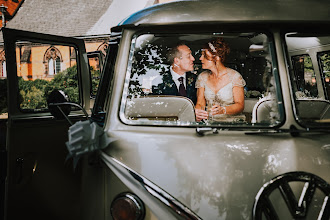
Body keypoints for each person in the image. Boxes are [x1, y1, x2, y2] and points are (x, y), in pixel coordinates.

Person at [195, 38, 246, 122]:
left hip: (231, 123)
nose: (200, 58)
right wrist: (198, 112)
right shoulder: (202, 77)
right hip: (209, 123)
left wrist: (223, 110)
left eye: (204, 55)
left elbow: (240, 105)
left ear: (216, 58)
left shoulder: (235, 77)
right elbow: (200, 103)